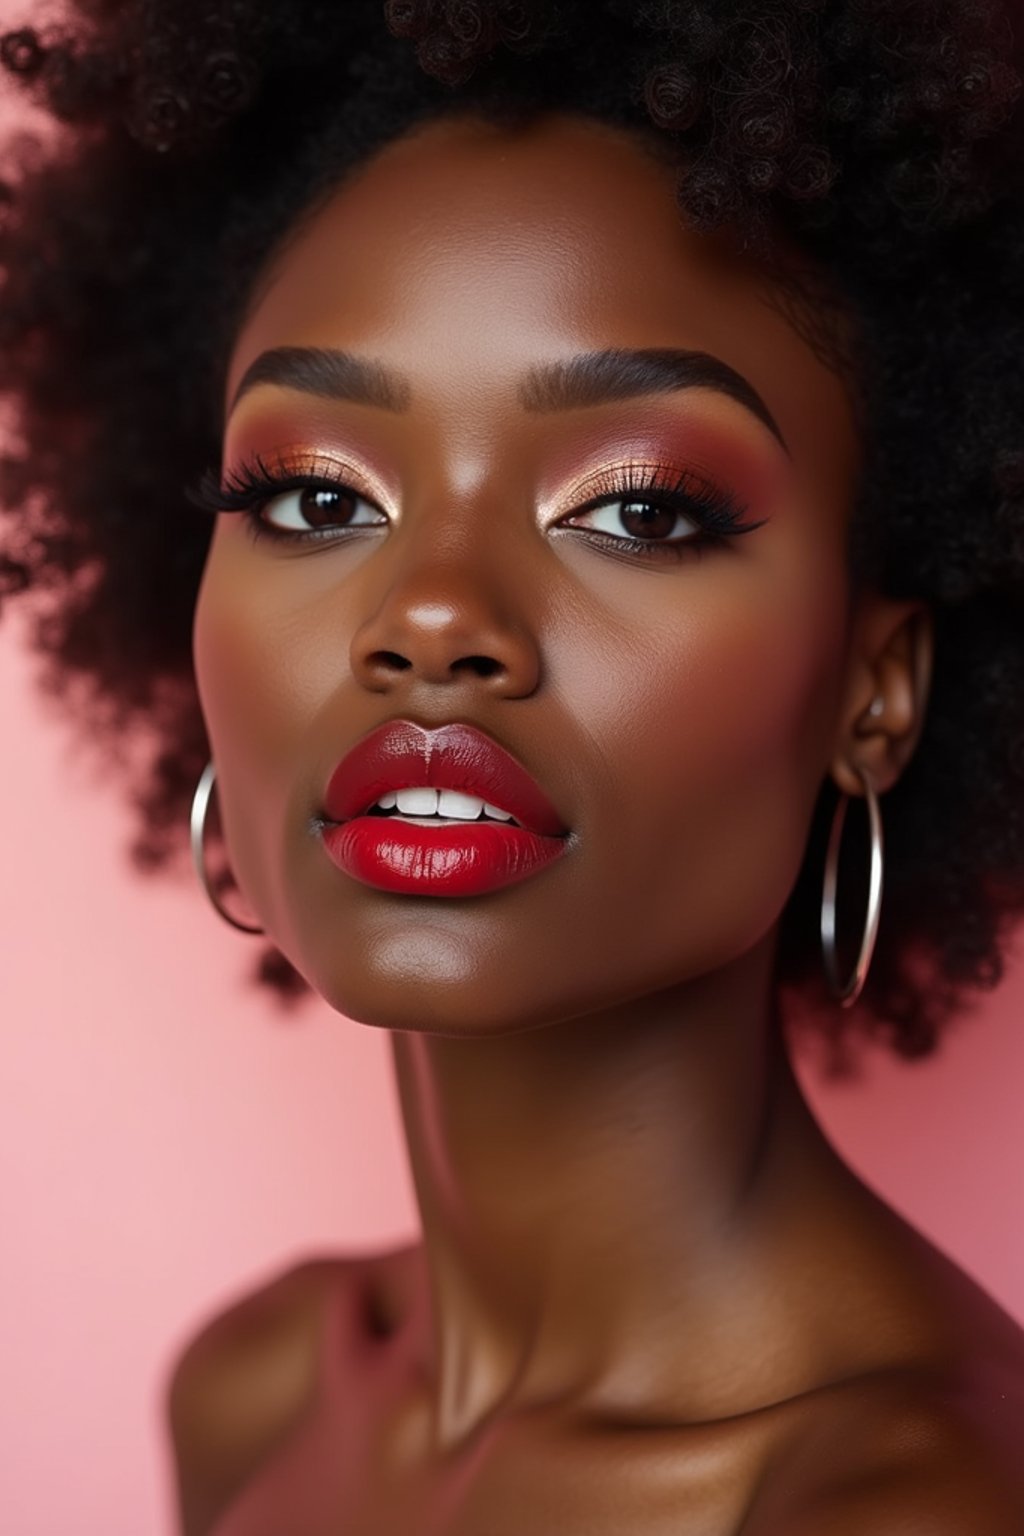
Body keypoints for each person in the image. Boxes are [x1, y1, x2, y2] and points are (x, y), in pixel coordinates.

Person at [2, 0, 1024, 1529]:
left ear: (874, 690)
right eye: (313, 496)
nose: (430, 620)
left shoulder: (901, 1502)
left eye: (640, 510)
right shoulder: (257, 1391)